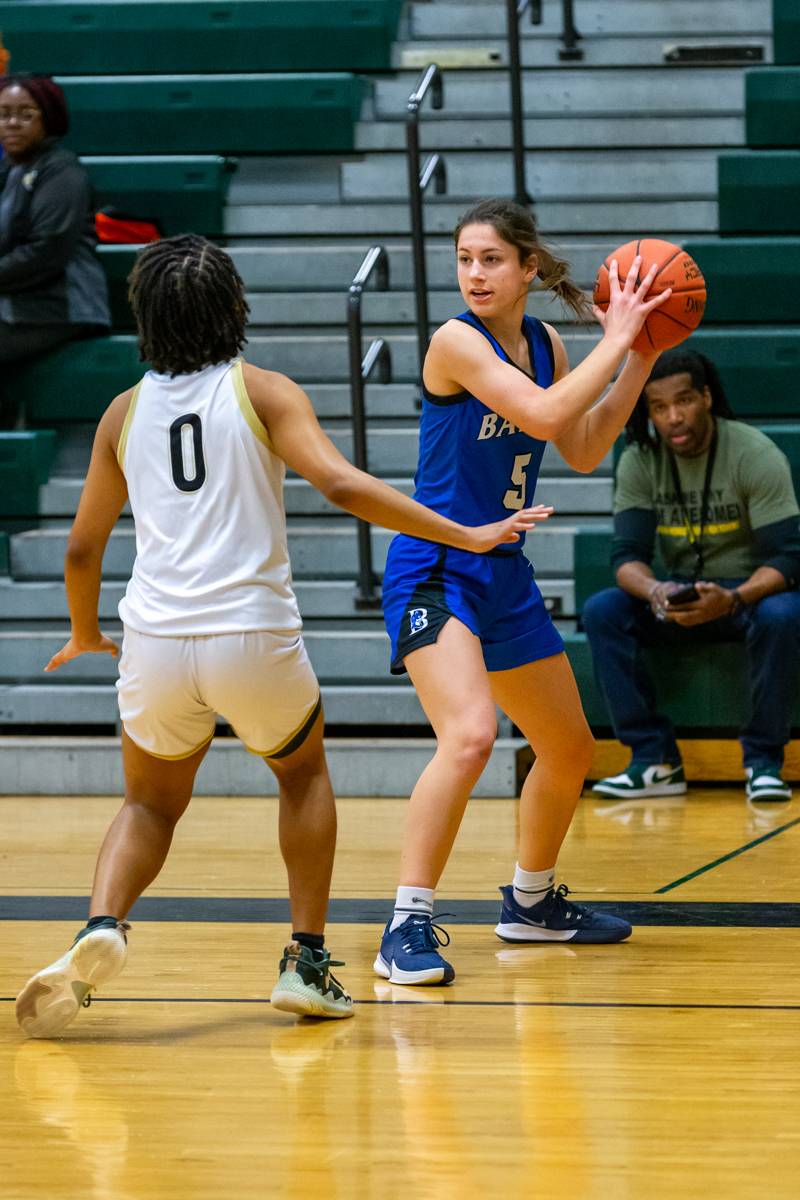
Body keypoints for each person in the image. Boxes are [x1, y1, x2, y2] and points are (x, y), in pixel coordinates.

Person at [14, 234, 550, 1037]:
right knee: (300, 777)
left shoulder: (122, 412)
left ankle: (101, 925)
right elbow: (340, 482)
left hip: (155, 639)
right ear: (235, 309)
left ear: (146, 321)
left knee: (150, 805)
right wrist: (466, 534)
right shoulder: (261, 391)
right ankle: (305, 961)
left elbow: (83, 546)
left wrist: (88, 631)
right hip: (251, 634)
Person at [374, 198, 671, 986]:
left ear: (527, 268)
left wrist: (639, 354)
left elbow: (577, 446)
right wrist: (615, 339)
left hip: (502, 568)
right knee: (469, 736)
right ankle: (405, 923)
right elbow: (541, 414)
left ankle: (531, 904)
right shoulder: (454, 342)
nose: (475, 273)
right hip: (437, 564)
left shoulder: (544, 340)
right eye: (466, 258)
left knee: (570, 748)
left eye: (492, 259)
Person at [584, 348, 800, 803]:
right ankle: (654, 760)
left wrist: (735, 598)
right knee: (604, 610)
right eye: (658, 407)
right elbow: (627, 556)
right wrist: (657, 590)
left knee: (783, 614)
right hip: (680, 592)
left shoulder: (754, 453)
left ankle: (763, 763)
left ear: (706, 397)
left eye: (682, 402)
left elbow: (789, 557)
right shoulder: (640, 458)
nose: (673, 417)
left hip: (746, 596)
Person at [0, 74, 110, 425]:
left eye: (25, 113)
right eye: (3, 114)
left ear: (48, 119)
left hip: (61, 303)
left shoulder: (62, 171)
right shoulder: (8, 173)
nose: (12, 123)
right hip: (18, 302)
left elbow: (47, 251)